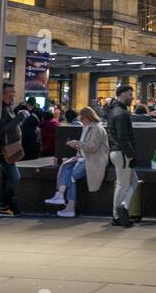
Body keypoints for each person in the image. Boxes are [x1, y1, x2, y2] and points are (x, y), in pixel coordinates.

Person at [43, 105, 108, 217]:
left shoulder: (97, 128)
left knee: (71, 176)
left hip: (93, 160)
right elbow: (87, 147)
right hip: (84, 158)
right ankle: (61, 195)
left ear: (88, 117)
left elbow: (92, 147)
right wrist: (77, 145)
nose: (81, 121)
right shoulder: (88, 127)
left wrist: (78, 144)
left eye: (82, 118)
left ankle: (69, 205)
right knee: (66, 166)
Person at [104, 84, 139, 227]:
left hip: (117, 151)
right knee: (123, 184)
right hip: (122, 153)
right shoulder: (121, 113)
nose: (132, 98)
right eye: (130, 95)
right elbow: (123, 136)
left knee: (133, 182)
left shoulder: (113, 110)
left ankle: (122, 206)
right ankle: (117, 215)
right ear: (123, 94)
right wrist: (131, 155)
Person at [0, 83, 23, 217]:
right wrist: (19, 119)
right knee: (15, 177)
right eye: (11, 92)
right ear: (5, 93)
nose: (14, 94)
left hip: (9, 148)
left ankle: (5, 206)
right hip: (3, 149)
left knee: (7, 177)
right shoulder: (0, 108)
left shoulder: (8, 107)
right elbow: (1, 129)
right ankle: (7, 204)